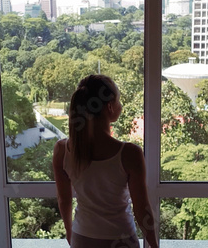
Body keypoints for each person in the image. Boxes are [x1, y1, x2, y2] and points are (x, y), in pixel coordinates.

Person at [53, 74, 158, 248]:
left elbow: (64, 200)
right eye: (118, 101)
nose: (121, 106)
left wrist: (70, 232)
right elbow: (142, 209)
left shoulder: (62, 150)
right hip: (122, 239)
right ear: (109, 107)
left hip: (82, 237)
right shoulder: (129, 153)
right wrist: (154, 245)